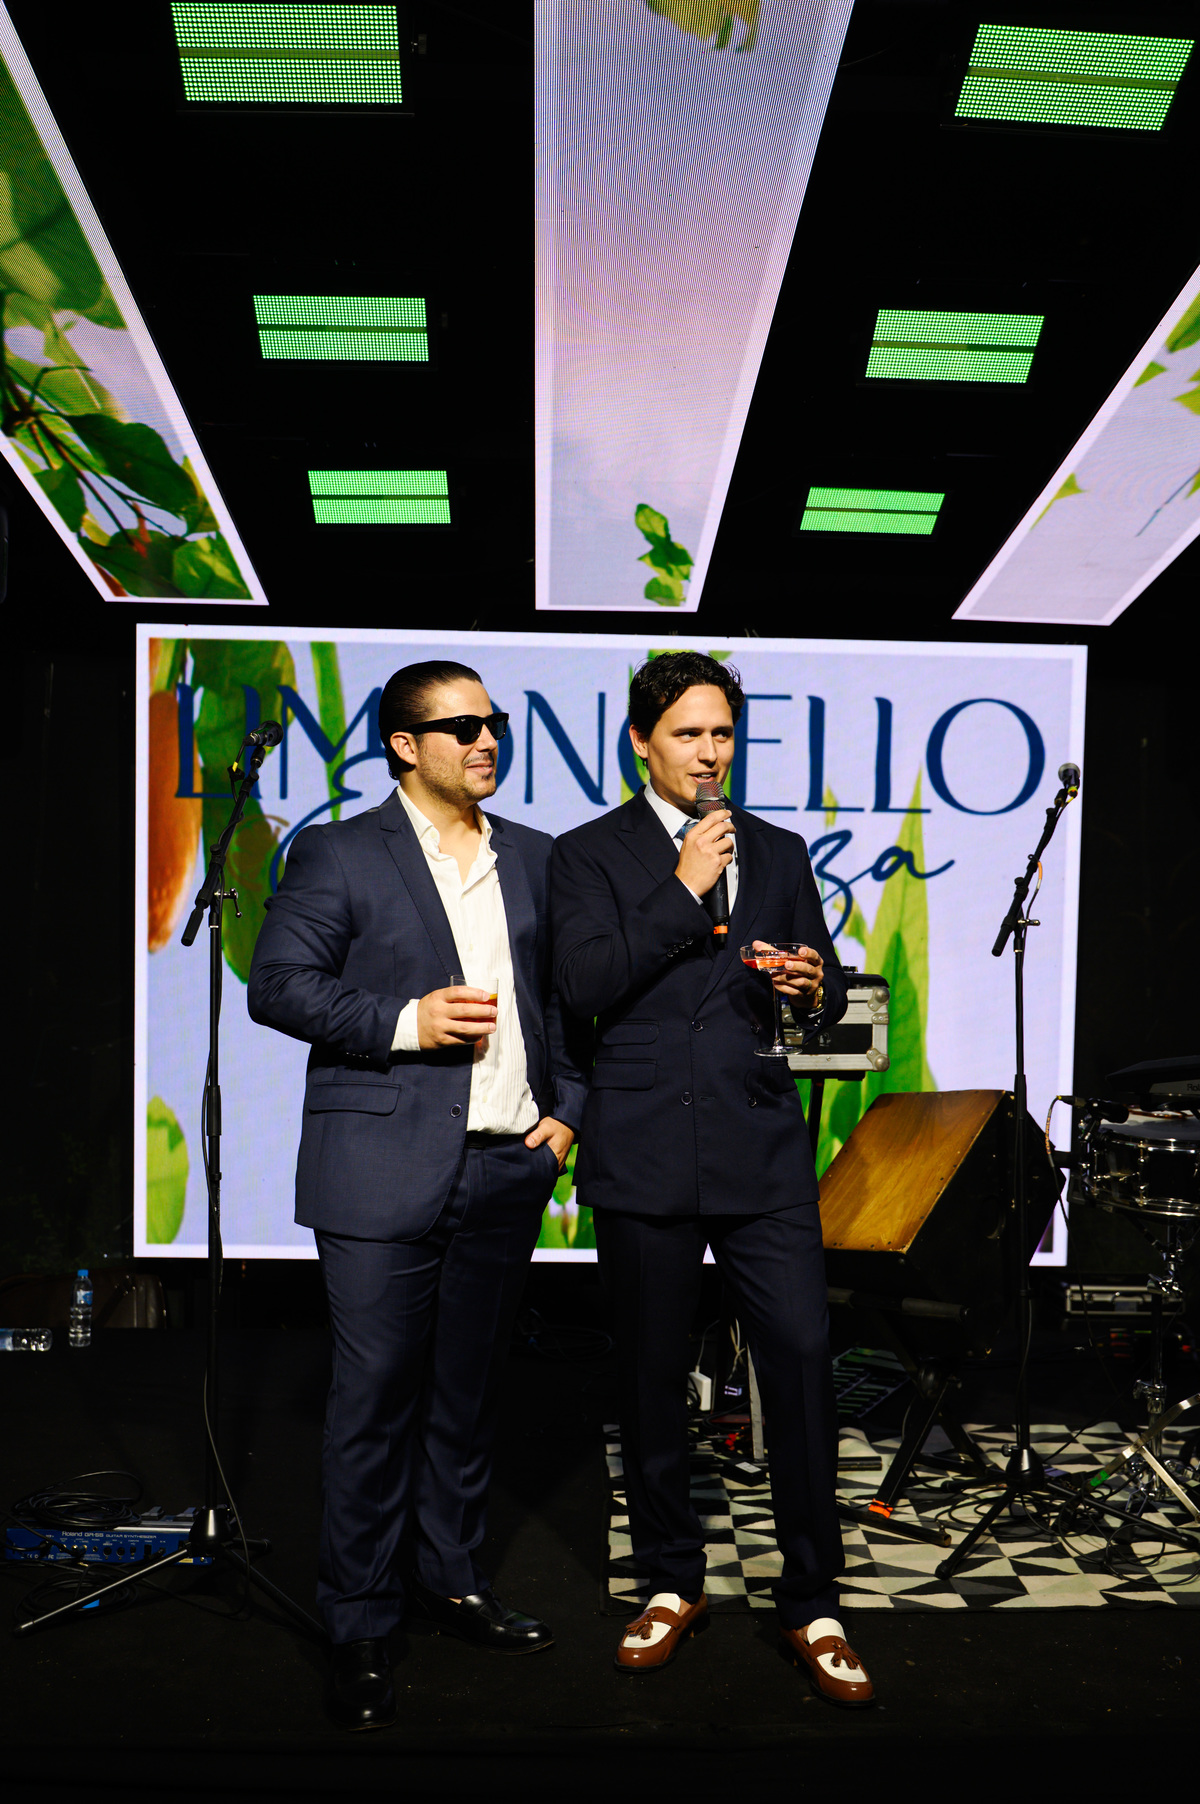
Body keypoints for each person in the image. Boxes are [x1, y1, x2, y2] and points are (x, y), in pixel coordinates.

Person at [248, 660, 587, 1731]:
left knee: (466, 1396)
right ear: (404, 744)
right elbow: (278, 985)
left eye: (497, 724)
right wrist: (407, 1021)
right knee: (373, 1399)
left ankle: (451, 1580)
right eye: (464, 725)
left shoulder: (536, 855)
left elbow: (568, 1004)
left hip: (506, 1165)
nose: (488, 741)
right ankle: (357, 1621)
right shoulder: (340, 851)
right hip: (377, 1168)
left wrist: (566, 1115)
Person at [548, 651, 873, 1707]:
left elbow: (824, 996)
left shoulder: (778, 849)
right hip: (642, 1146)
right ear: (641, 742)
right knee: (650, 1376)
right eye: (688, 734)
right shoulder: (587, 854)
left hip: (759, 1146)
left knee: (803, 1362)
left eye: (723, 733)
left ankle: (812, 1599)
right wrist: (684, 887)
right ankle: (669, 1579)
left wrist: (812, 987)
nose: (709, 753)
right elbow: (586, 984)